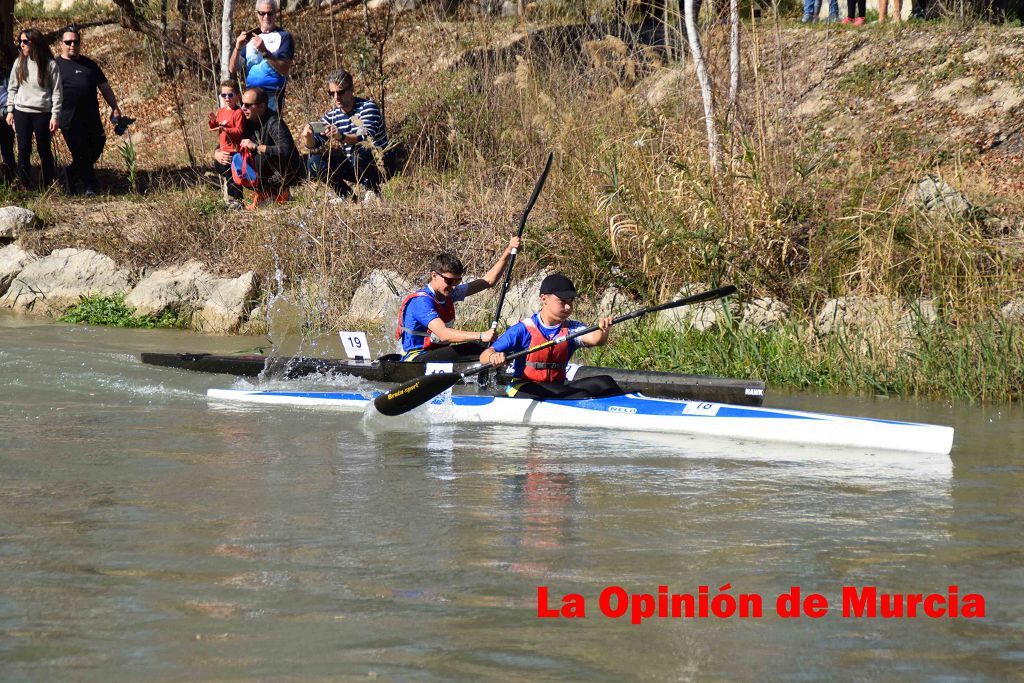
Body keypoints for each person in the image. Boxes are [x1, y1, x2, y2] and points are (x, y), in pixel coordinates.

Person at [479, 273, 622, 400]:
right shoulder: (523, 329)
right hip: (524, 386)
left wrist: (603, 330)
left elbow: (595, 339)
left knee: (605, 382)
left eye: (571, 301)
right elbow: (485, 355)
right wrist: (493, 357)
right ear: (544, 299)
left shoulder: (572, 328)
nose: (568, 307)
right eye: (562, 301)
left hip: (557, 386)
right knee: (579, 395)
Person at [397, 238, 521, 363]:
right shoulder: (421, 302)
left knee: (490, 347)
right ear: (434, 276)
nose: (454, 286)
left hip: (438, 355)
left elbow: (488, 281)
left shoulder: (450, 292)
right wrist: (481, 335)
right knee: (474, 348)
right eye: (450, 281)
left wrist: (508, 251)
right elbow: (443, 334)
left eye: (458, 281)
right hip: (416, 359)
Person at [300, 69, 394, 202]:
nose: (336, 97)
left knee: (360, 151)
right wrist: (308, 136)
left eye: (340, 92)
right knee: (314, 162)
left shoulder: (368, 107)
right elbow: (315, 144)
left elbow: (365, 138)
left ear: (352, 90)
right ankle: (347, 197)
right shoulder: (332, 115)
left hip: (379, 164)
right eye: (332, 93)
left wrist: (341, 136)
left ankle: (373, 190)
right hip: (354, 165)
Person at [55, 25, 122, 196]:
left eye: (75, 42)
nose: (72, 45)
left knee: (98, 144)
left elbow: (104, 87)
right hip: (68, 117)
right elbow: (46, 91)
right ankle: (89, 186)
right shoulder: (55, 66)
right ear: (61, 44)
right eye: (68, 42)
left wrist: (114, 107)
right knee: (81, 150)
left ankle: (70, 173)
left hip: (91, 116)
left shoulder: (89, 64)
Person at [217, 87, 301, 207]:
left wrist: (257, 147)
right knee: (225, 159)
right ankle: (236, 201)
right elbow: (229, 141)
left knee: (258, 157)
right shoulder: (247, 121)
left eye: (248, 105)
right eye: (242, 104)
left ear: (262, 106)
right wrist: (217, 153)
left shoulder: (274, 122)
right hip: (261, 170)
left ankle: (278, 192)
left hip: (282, 173)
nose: (243, 108)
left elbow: (287, 150)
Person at [6, 28, 62, 189]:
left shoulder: (50, 64)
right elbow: (12, 87)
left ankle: (48, 184)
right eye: (20, 42)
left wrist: (55, 115)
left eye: (25, 42)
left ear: (35, 43)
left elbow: (57, 92)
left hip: (42, 113)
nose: (21, 45)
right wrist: (10, 110)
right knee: (23, 148)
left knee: (44, 148)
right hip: (21, 111)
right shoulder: (19, 62)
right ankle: (24, 184)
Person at [229, 0, 293, 114]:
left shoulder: (284, 36)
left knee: (271, 129)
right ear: (256, 14)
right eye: (262, 13)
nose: (266, 17)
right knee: (253, 131)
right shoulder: (249, 37)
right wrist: (237, 48)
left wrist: (264, 50)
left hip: (273, 94)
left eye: (270, 13)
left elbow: (284, 69)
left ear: (276, 13)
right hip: (251, 94)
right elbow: (232, 69)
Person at [209, 79, 246, 209]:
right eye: (223, 95)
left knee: (233, 175)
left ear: (237, 96)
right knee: (226, 173)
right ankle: (231, 200)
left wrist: (226, 129)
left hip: (234, 150)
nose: (227, 98)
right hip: (223, 149)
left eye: (230, 95)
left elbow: (239, 131)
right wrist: (213, 121)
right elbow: (215, 126)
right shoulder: (221, 111)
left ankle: (236, 200)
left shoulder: (238, 113)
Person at [0, 54, 16, 183]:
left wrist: (6, 112)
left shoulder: (7, 76)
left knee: (7, 151)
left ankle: (11, 180)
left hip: (5, 118)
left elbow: (11, 96)